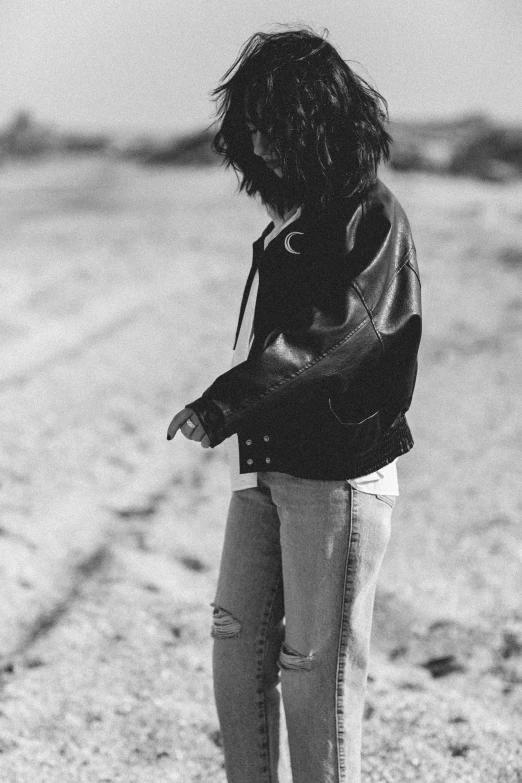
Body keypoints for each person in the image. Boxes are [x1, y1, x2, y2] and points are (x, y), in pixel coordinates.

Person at [167, 26, 421, 783]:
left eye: (276, 127)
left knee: (317, 675)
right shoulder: (300, 215)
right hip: (270, 465)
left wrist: (224, 403)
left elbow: (337, 337)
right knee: (236, 643)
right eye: (251, 129)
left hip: (337, 479)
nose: (262, 145)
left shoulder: (370, 214)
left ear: (318, 123)